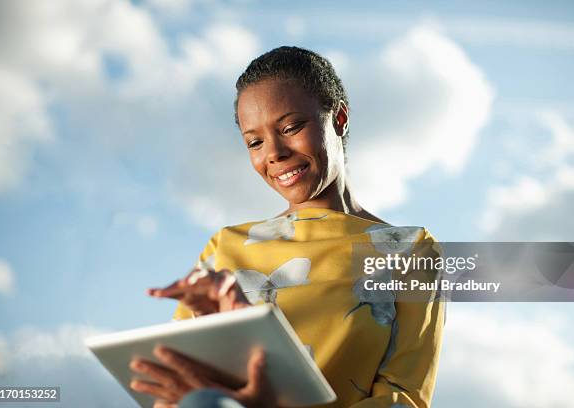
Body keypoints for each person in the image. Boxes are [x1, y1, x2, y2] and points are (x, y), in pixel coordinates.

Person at [129, 46, 445, 408]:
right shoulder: (224, 247)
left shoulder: (411, 250)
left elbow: (405, 398)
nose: (274, 153)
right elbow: (175, 393)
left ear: (339, 119)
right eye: (255, 142)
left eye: (291, 127)